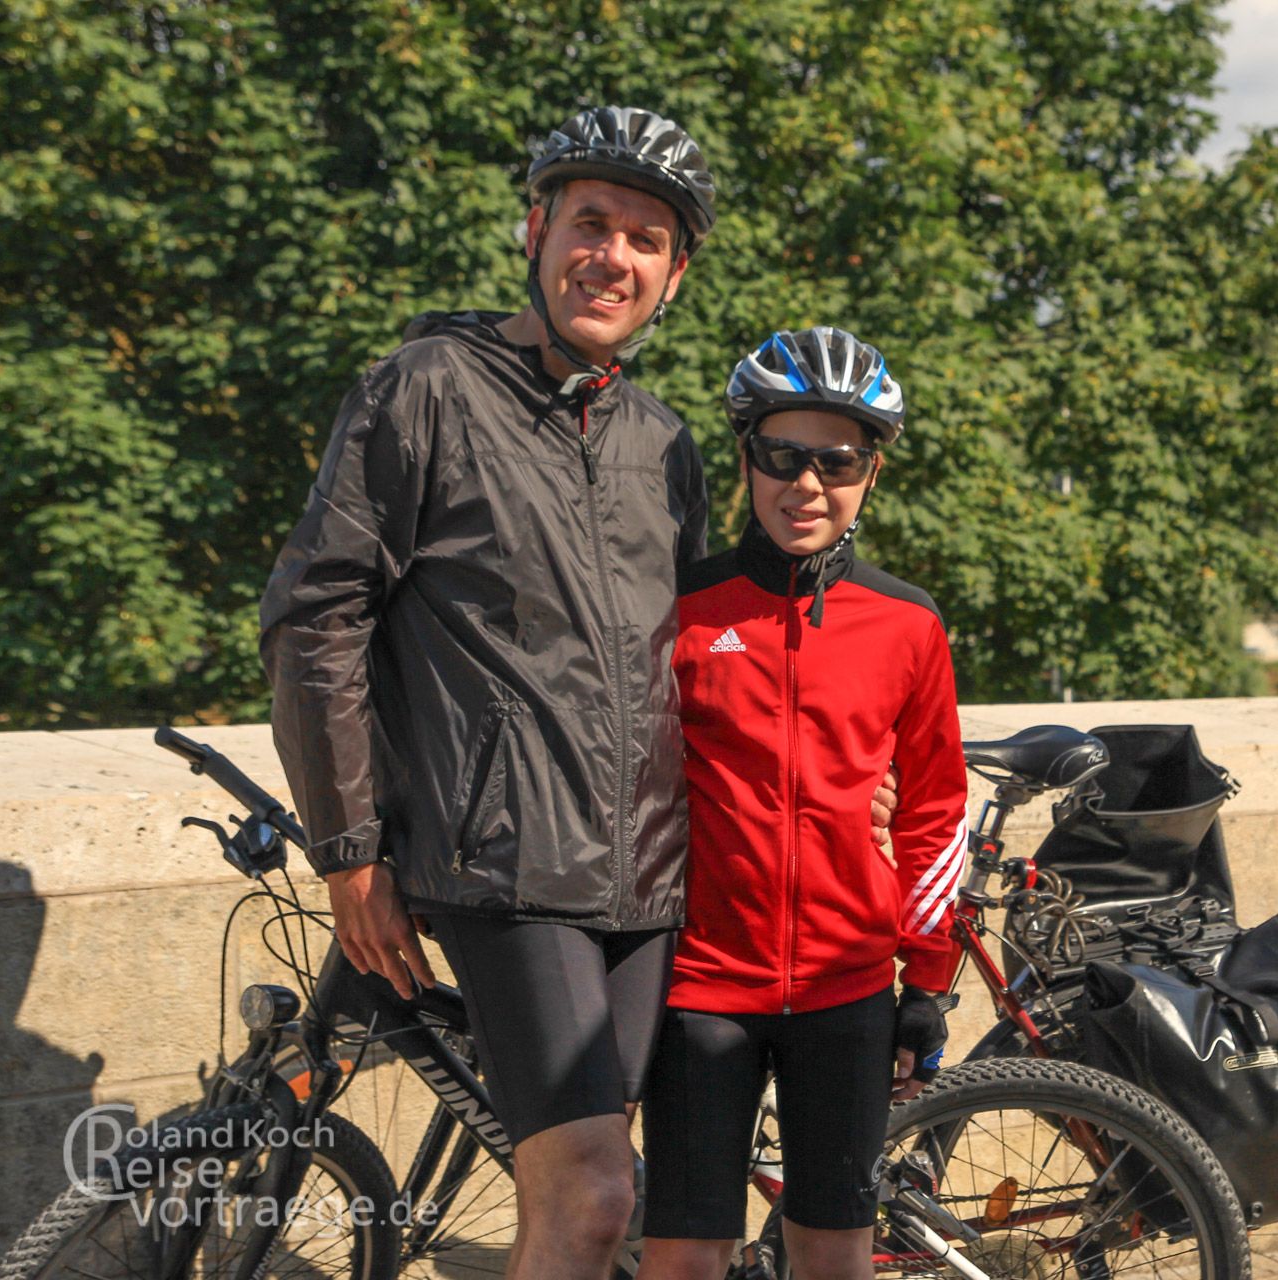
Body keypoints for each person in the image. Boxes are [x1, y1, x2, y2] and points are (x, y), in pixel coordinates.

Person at [260, 106, 717, 1280]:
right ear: (536, 228)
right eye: (591, 221)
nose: (612, 255)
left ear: (673, 275)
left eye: (646, 238)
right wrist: (349, 849)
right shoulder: (428, 386)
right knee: (594, 1190)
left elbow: (704, 656)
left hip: (646, 868)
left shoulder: (666, 441)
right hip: (501, 856)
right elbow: (317, 615)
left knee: (589, 1194)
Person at [638, 328, 970, 1280]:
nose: (808, 484)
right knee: (685, 1253)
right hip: (703, 986)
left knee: (834, 1251)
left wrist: (930, 980)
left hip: (850, 989)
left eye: (839, 461)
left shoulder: (908, 624)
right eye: (782, 457)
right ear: (747, 458)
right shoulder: (684, 608)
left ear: (872, 474)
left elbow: (933, 813)